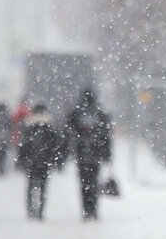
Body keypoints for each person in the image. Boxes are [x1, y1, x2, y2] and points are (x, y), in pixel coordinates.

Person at [65, 89, 111, 220]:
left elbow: (69, 131)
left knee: (83, 183)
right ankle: (94, 209)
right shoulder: (99, 113)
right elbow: (105, 136)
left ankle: (86, 209)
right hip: (96, 154)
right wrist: (107, 154)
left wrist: (69, 150)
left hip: (81, 154)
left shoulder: (76, 113)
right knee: (94, 182)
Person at [17, 104, 60, 220]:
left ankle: (31, 209)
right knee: (43, 186)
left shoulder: (29, 126)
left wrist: (21, 159)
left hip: (31, 160)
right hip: (44, 161)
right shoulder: (49, 126)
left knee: (31, 185)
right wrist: (54, 159)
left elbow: (24, 145)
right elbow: (54, 145)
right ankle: (41, 210)